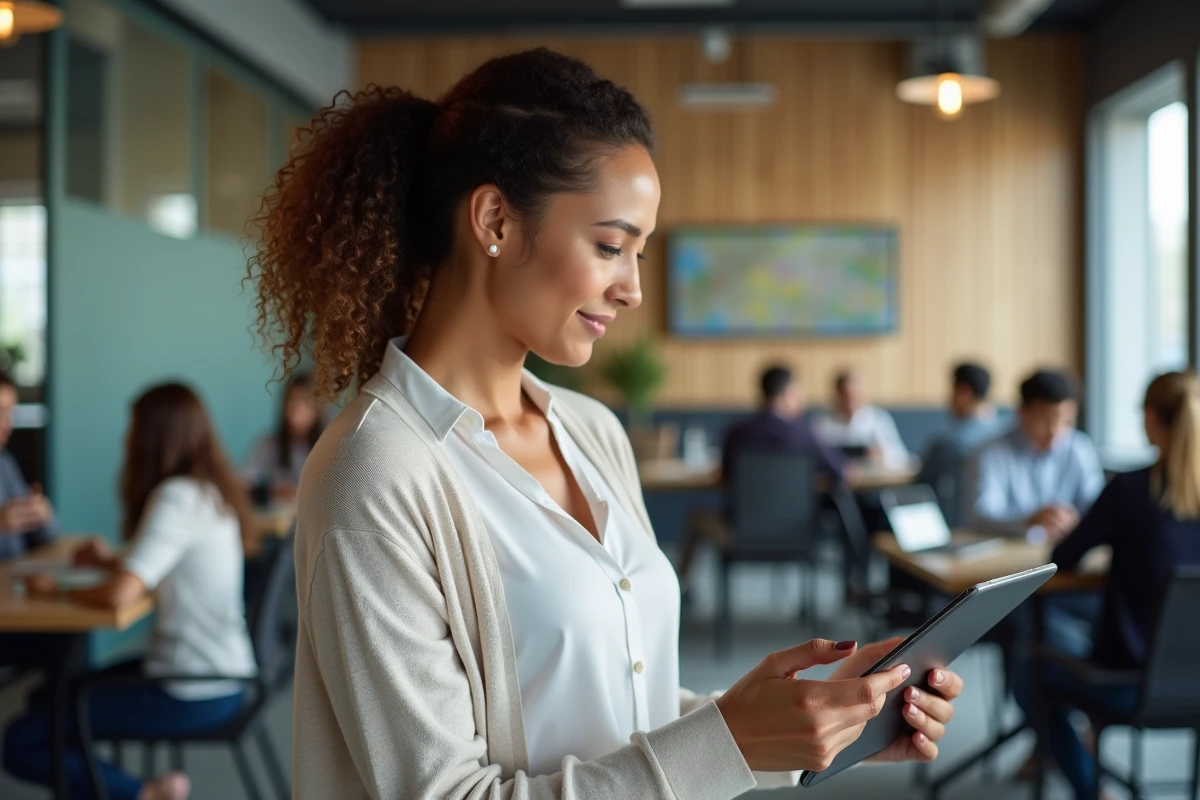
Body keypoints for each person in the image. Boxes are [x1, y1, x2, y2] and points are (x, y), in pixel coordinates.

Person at [249, 49, 965, 799]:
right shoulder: (376, 470)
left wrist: (805, 723)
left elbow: (625, 719)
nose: (631, 291)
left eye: (641, 253)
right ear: (495, 220)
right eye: (610, 246)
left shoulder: (591, 431)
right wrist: (730, 739)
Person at [3, 383, 258, 800]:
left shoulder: (177, 497)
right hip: (218, 677)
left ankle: (138, 793)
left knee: (22, 739)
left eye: (136, 427)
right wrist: (111, 562)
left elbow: (120, 596)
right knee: (48, 698)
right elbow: (162, 565)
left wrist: (55, 590)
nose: (128, 438)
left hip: (192, 689)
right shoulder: (204, 492)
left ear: (160, 435)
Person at [1013, 371, 1200, 800]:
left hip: (1128, 687)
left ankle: (1090, 788)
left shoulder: (1131, 491)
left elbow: (1062, 559)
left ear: (1151, 419)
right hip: (1192, 684)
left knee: (1030, 669)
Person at [675, 365, 847, 587]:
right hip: (797, 532)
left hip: (740, 533)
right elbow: (843, 473)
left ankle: (682, 588)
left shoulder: (737, 432)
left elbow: (721, 477)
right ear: (788, 393)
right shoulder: (806, 433)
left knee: (695, 517)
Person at [968, 368, 1105, 540]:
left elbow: (1097, 504)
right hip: (1010, 557)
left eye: (1067, 421)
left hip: (1066, 549)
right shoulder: (990, 452)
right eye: (1046, 420)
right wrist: (1029, 520)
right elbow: (981, 515)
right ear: (1022, 412)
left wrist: (1073, 518)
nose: (1056, 431)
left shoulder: (1080, 448)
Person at [915, 362, 1007, 525]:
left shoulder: (947, 445)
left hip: (953, 532)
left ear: (963, 393)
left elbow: (918, 489)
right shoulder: (1009, 438)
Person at [0, 369, 57, 560]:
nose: (7, 423)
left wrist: (42, 514)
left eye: (10, 413)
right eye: (0, 412)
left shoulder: (5, 464)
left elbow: (47, 538)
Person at [242, 372, 323, 501]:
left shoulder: (327, 446)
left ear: (317, 408)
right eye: (291, 400)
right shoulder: (269, 444)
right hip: (282, 517)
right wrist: (271, 491)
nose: (295, 408)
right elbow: (244, 483)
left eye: (303, 401)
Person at [814, 369, 910, 468]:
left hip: (874, 478)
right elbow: (815, 456)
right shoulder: (822, 422)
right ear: (837, 394)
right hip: (836, 478)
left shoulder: (879, 419)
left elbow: (900, 457)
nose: (851, 400)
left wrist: (881, 455)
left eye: (855, 393)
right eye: (846, 395)